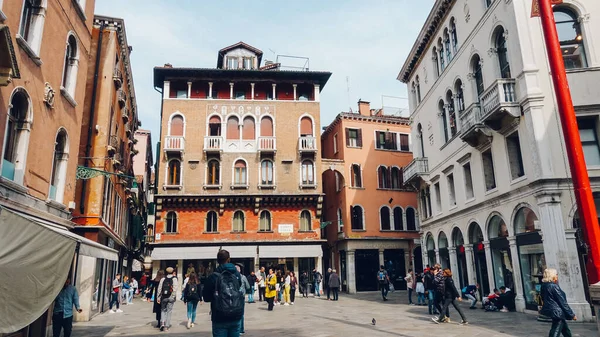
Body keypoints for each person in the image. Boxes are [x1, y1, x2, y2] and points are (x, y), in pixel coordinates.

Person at [202, 249, 245, 337]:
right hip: (235, 314)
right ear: (229, 259)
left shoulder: (213, 277)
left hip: (219, 316)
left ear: (217, 261)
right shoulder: (236, 274)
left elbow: (206, 298)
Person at [540, 268, 577, 337]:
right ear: (553, 275)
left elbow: (543, 298)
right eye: (556, 274)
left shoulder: (544, 286)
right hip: (558, 312)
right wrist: (572, 314)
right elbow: (562, 302)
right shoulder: (554, 286)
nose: (557, 276)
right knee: (556, 329)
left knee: (565, 329)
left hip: (552, 311)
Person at [157, 267, 178, 332]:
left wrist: (158, 297)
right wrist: (173, 296)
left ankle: (162, 323)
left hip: (164, 297)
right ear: (172, 271)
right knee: (169, 311)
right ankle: (166, 326)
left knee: (163, 310)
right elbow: (175, 288)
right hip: (171, 297)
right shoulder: (174, 279)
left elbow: (159, 288)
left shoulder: (163, 279)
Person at [236, 264, 251, 335]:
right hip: (241, 296)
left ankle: (236, 329)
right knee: (241, 313)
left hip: (234, 297)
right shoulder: (243, 277)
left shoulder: (231, 277)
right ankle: (241, 329)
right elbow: (248, 286)